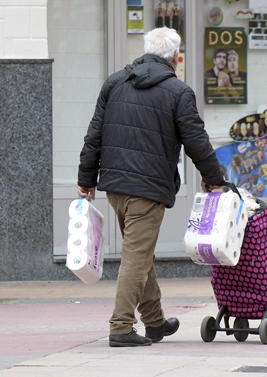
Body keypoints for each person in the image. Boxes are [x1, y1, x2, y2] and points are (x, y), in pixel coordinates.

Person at [77, 27, 225, 347]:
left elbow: (94, 135)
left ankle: (155, 322)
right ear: (176, 57)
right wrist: (215, 179)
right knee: (136, 257)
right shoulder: (178, 91)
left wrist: (85, 181)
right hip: (147, 189)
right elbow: (196, 143)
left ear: (144, 50)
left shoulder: (115, 83)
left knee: (140, 253)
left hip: (115, 187)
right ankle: (120, 326)